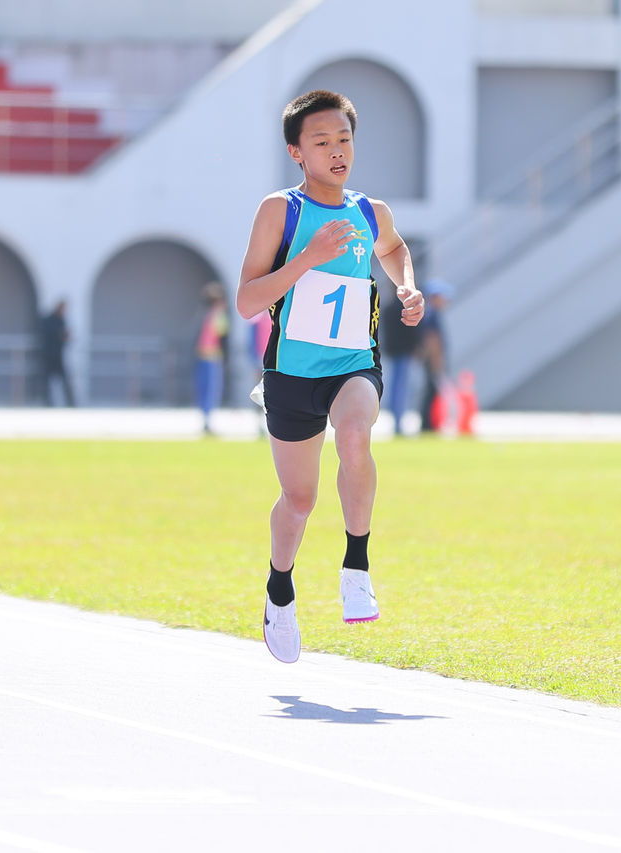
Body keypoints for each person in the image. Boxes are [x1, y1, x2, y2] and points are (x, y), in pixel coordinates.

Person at [235, 89, 424, 664]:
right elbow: (247, 301)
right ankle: (279, 590)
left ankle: (356, 565)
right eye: (321, 142)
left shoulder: (370, 212)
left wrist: (406, 285)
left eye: (344, 139)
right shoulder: (281, 211)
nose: (337, 151)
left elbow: (394, 248)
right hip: (291, 373)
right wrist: (307, 259)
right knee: (299, 500)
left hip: (353, 363)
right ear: (297, 152)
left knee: (356, 434)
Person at [380, 285, 423, 435]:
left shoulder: (387, 308)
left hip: (392, 352)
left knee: (394, 387)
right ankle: (398, 421)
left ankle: (396, 420)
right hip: (404, 352)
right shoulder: (404, 309)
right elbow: (412, 331)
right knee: (402, 388)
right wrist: (416, 347)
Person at [194, 282, 230, 435]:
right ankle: (207, 421)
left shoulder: (204, 315)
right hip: (213, 358)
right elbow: (223, 339)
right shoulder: (219, 315)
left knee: (203, 389)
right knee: (211, 390)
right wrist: (226, 359)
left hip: (202, 356)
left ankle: (206, 419)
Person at [417, 279, 452, 433]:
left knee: (431, 390)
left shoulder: (430, 313)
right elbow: (432, 340)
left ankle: (428, 423)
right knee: (431, 391)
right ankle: (427, 424)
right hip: (433, 360)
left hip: (431, 359)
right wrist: (437, 362)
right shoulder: (432, 315)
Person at [38, 299, 75, 407]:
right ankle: (47, 402)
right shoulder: (49, 320)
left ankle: (70, 403)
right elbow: (50, 335)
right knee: (46, 380)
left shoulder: (61, 320)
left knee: (64, 380)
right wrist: (61, 335)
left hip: (58, 355)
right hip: (49, 355)